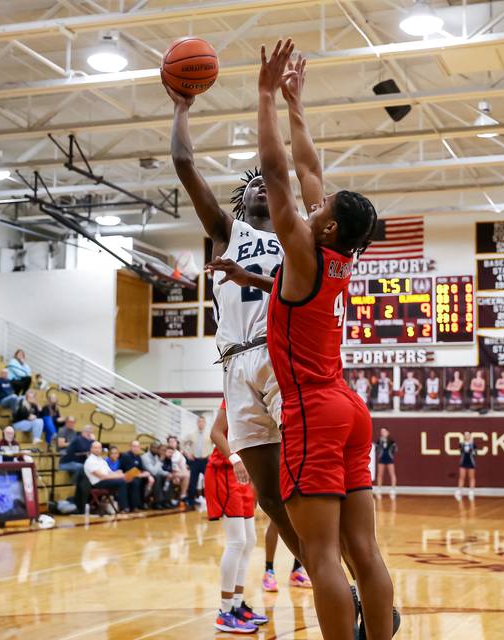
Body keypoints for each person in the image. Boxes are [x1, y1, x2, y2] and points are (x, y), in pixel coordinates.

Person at [253, 41, 396, 639]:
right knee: (365, 549)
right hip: (351, 408)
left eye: (323, 206)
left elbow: (279, 176)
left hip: (313, 407)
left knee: (321, 557)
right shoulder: (336, 252)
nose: (316, 199)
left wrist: (263, 96)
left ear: (328, 223)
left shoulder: (304, 252)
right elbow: (309, 171)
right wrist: (296, 105)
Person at [165, 48, 302, 560]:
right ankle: (318, 574)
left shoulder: (297, 238)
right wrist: (182, 109)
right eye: (254, 184)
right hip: (234, 364)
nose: (264, 186)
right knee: (268, 494)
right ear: (243, 199)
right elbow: (183, 163)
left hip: (282, 353)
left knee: (303, 479)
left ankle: (347, 567)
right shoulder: (227, 232)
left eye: (271, 181)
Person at [207, 401, 268, 633]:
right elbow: (215, 432)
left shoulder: (262, 396)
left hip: (244, 474)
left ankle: (236, 603)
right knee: (237, 541)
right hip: (225, 470)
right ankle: (224, 612)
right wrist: (235, 459)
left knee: (249, 540)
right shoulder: (234, 391)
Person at [84, 440, 129, 512]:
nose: (97, 449)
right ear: (91, 449)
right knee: (121, 482)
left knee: (127, 480)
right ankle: (124, 507)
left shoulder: (101, 460)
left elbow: (110, 472)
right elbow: (102, 476)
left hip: (105, 481)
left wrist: (118, 473)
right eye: (95, 448)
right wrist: (118, 476)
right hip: (98, 483)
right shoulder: (90, 461)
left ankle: (127, 506)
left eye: (99, 448)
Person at [183, 415, 212, 508]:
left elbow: (217, 444)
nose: (201, 423)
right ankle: (191, 501)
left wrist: (211, 454)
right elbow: (181, 442)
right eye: (199, 421)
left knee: (209, 482)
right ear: (197, 423)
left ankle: (211, 502)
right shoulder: (192, 434)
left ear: (205, 423)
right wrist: (187, 454)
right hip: (195, 460)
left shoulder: (210, 434)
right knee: (193, 482)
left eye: (202, 422)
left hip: (206, 460)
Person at [120, 440, 155, 511]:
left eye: (137, 447)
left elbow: (141, 469)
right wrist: (142, 475)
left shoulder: (138, 457)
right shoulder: (126, 456)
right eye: (134, 446)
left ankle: (144, 502)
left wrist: (148, 476)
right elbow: (130, 472)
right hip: (126, 477)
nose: (136, 448)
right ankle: (134, 505)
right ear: (130, 447)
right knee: (136, 482)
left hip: (136, 476)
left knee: (150, 480)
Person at [142, 441, 170, 509]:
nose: (157, 450)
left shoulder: (156, 457)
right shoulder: (145, 457)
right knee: (158, 477)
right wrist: (160, 461)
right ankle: (157, 502)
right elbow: (153, 471)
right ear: (151, 448)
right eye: (155, 448)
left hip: (154, 476)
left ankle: (166, 500)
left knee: (167, 477)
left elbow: (159, 470)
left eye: (158, 448)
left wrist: (169, 474)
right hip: (145, 477)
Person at [375, 428, 398, 499]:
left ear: (388, 432)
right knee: (380, 474)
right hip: (382, 459)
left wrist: (391, 451)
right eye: (381, 431)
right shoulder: (379, 440)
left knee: (392, 474)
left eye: (384, 431)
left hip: (389, 459)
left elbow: (395, 449)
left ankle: (393, 491)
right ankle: (379, 490)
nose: (383, 433)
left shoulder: (391, 440)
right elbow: (376, 449)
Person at [455, 431, 477, 501]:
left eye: (468, 435)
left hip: (471, 462)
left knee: (471, 477)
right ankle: (459, 491)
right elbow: (461, 452)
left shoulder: (473, 444)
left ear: (470, 436)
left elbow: (475, 453)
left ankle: (471, 492)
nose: (466, 436)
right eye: (465, 435)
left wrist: (472, 447)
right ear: (464, 436)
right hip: (463, 462)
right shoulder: (461, 444)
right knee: (462, 477)